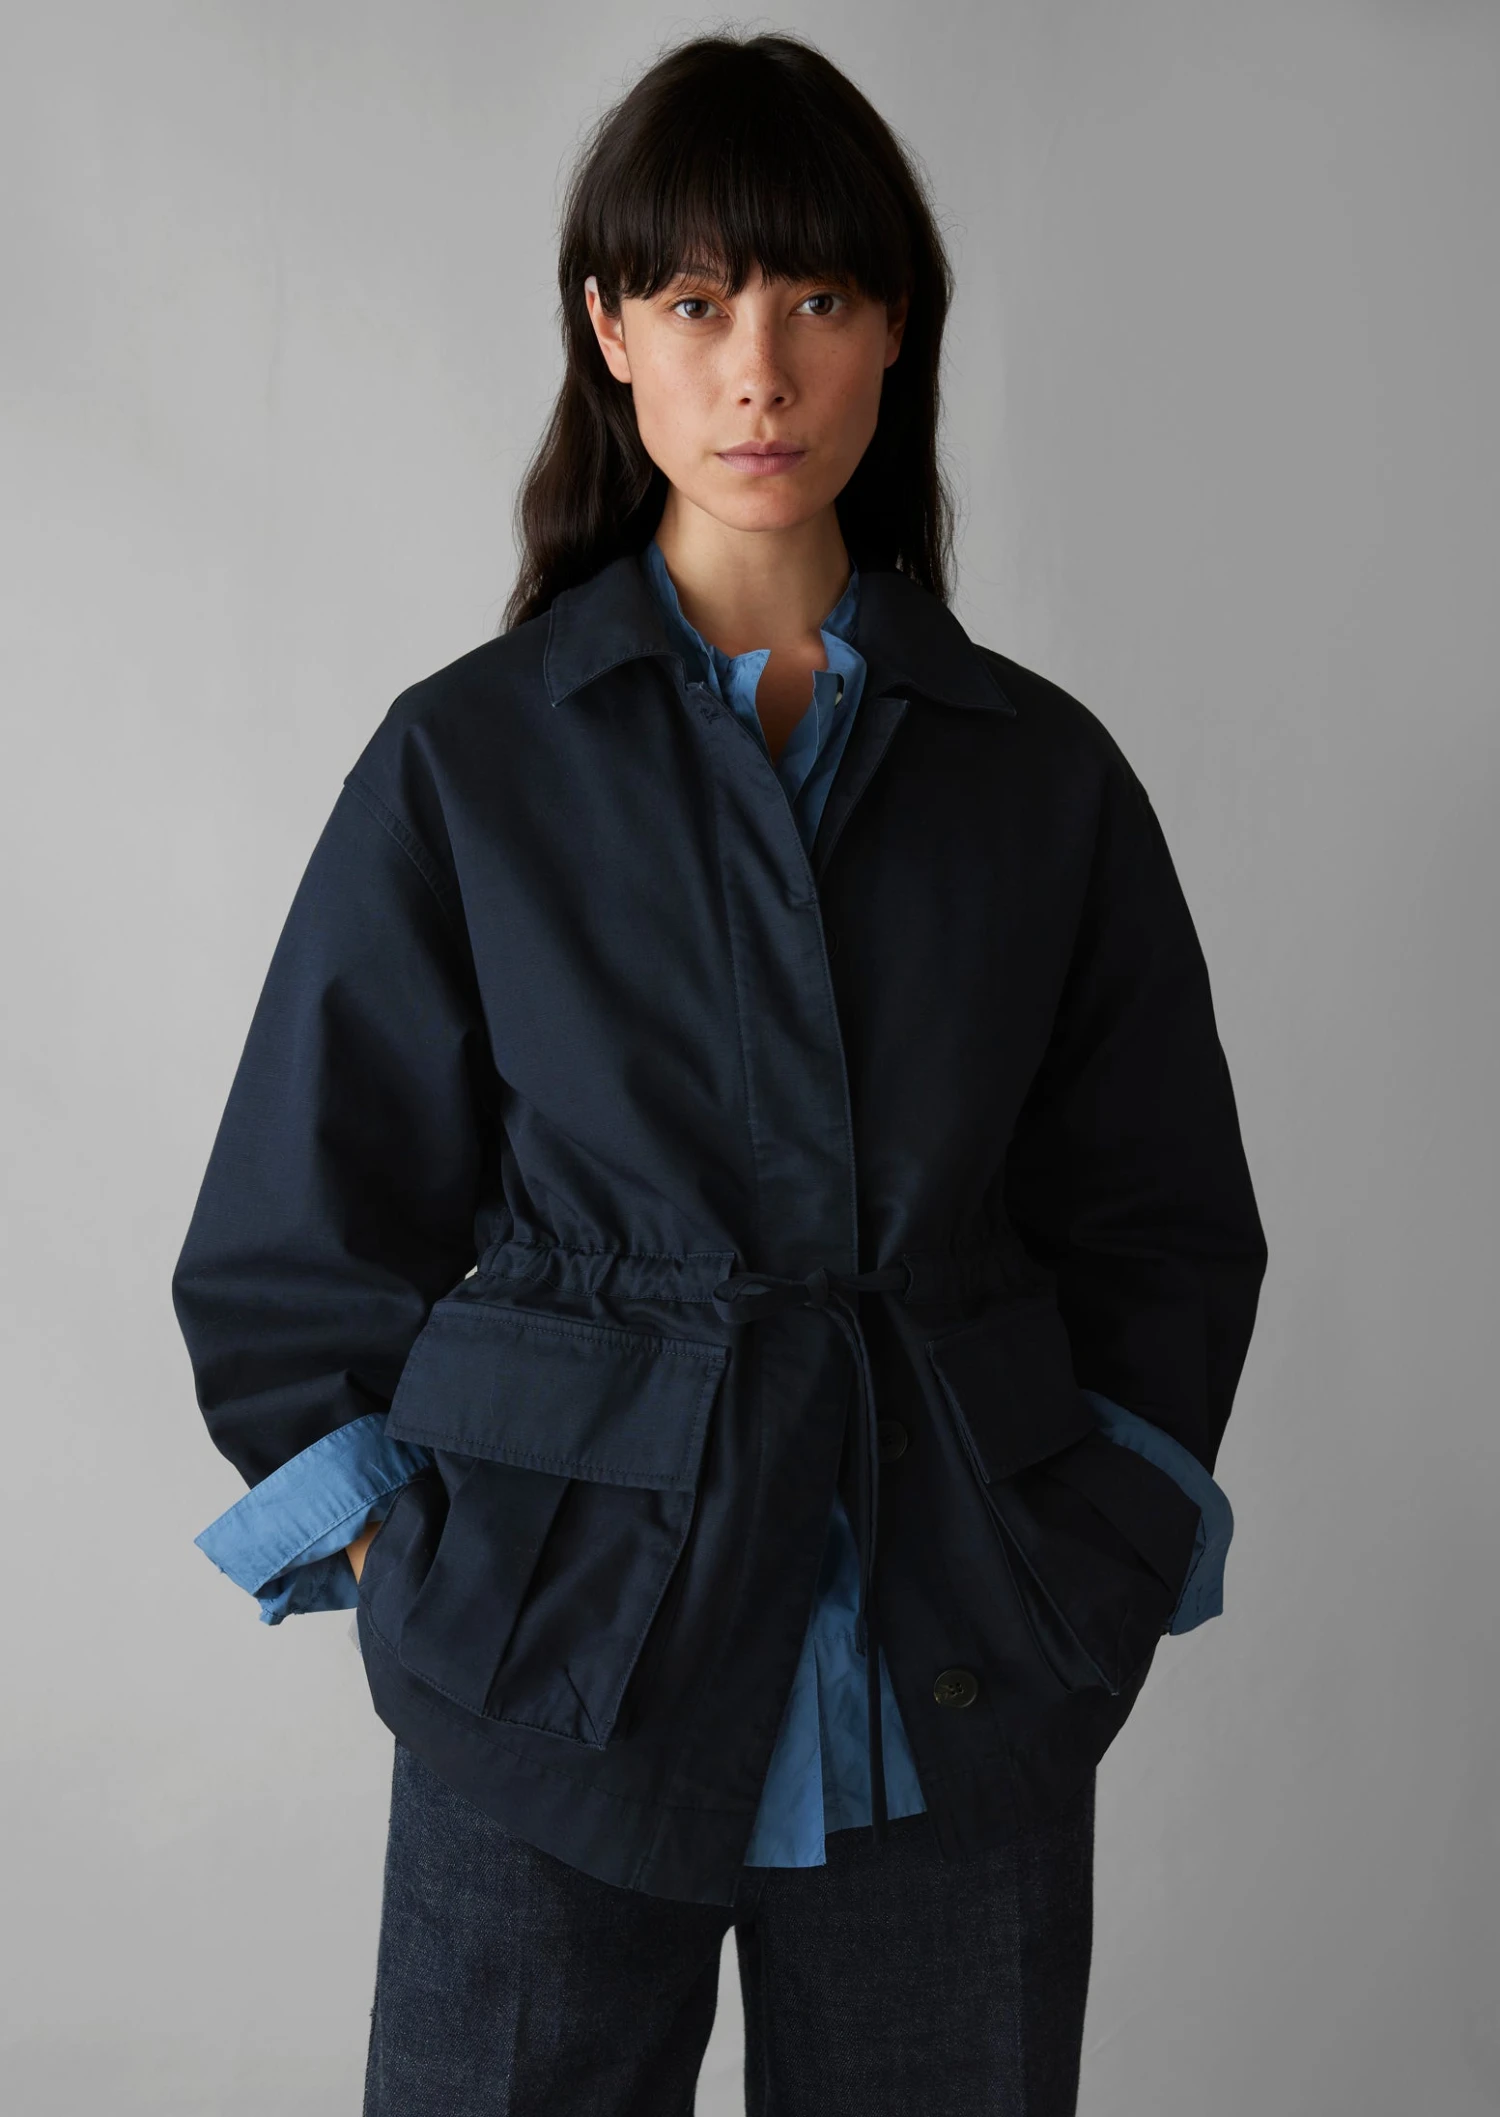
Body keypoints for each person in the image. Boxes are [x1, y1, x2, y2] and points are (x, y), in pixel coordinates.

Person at [172, 29, 1267, 2117]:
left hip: (957, 1666)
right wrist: (427, 1573)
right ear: (610, 334)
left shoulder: (1038, 778)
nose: (759, 369)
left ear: (895, 329)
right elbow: (297, 1235)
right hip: (551, 1664)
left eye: (817, 298)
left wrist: (1097, 1548)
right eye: (696, 301)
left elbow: (1160, 1222)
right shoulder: (472, 759)